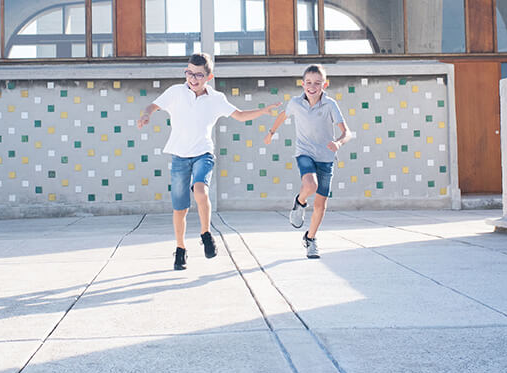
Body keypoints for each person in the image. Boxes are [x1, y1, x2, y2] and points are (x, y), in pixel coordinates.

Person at [139, 52, 281, 270]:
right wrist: (146, 114)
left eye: (198, 75)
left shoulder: (216, 99)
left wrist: (263, 111)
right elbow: (152, 106)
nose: (193, 79)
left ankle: (206, 233)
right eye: (189, 73)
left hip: (203, 154)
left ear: (209, 76)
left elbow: (240, 115)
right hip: (179, 156)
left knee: (200, 191)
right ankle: (180, 249)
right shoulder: (175, 92)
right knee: (180, 209)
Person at [264, 64, 351, 259]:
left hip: (326, 158)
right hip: (304, 152)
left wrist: (339, 142)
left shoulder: (330, 105)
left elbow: (347, 132)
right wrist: (271, 133)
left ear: (325, 85)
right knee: (310, 184)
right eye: (309, 83)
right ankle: (299, 202)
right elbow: (282, 115)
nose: (312, 87)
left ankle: (310, 239)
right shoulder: (295, 103)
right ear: (302, 84)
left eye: (317, 83)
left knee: (320, 205)